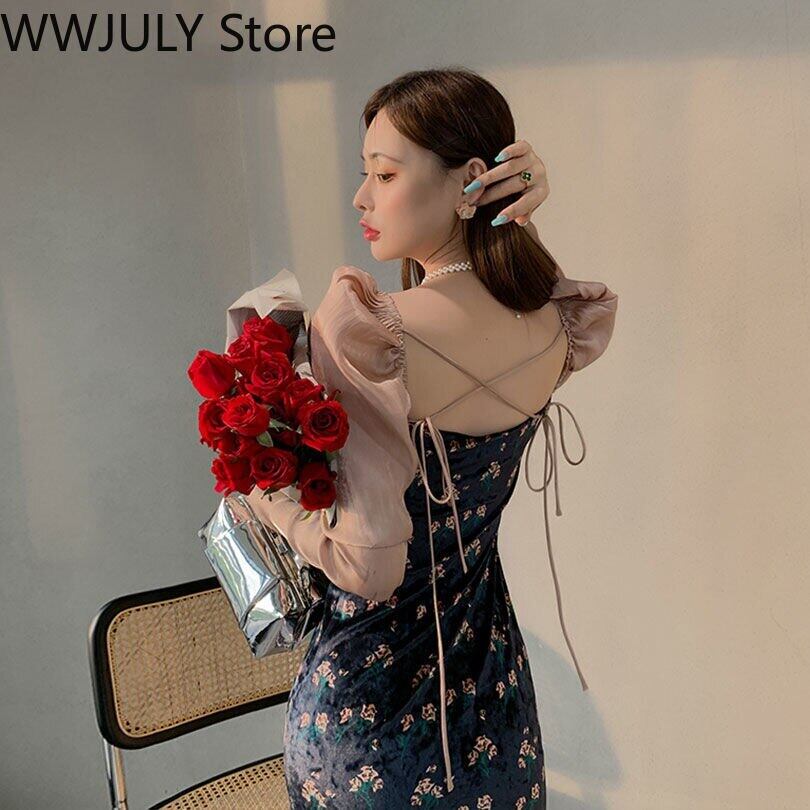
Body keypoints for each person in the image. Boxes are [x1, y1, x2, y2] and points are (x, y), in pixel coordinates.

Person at [246, 67, 618, 809]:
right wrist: (513, 209)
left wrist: (266, 495)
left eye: (384, 174)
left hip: (371, 713)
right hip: (495, 703)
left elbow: (367, 565)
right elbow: (507, 277)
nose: (362, 197)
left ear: (471, 178)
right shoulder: (557, 321)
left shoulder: (368, 332)